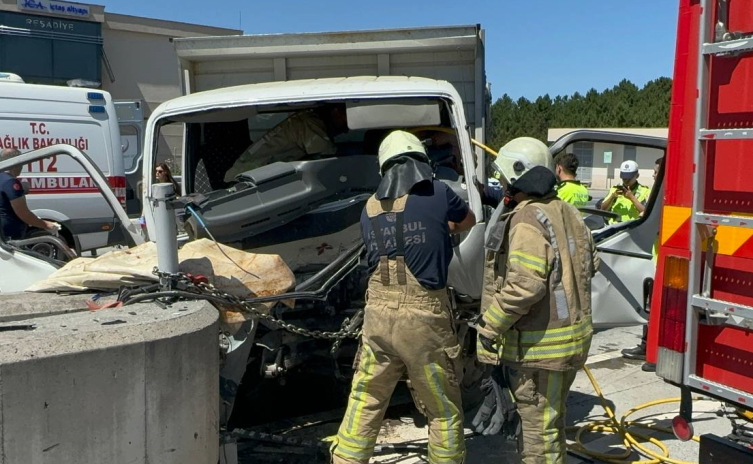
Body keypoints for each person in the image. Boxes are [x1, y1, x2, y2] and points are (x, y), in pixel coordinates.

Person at [330, 130, 476, 464]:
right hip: (423, 318)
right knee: (443, 410)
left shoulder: (368, 208)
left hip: (378, 315)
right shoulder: (438, 193)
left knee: (365, 399)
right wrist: (443, 229)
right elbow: (468, 220)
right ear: (420, 163)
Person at [473, 137, 600, 464]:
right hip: (572, 345)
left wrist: (489, 326)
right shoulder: (569, 212)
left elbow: (525, 286)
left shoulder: (527, 218)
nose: (501, 185)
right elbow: (592, 265)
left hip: (540, 352)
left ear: (519, 175)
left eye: (504, 178)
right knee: (551, 424)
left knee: (537, 438)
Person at [224, 104, 349, 181]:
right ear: (336, 112)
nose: (346, 130)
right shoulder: (310, 123)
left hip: (258, 176)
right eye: (346, 120)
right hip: (247, 180)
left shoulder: (309, 121)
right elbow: (328, 160)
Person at [621, 157, 664, 372]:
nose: (655, 174)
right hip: (652, 255)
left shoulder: (655, 195)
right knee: (651, 306)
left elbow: (645, 215)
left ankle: (650, 349)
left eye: (657, 171)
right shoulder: (658, 195)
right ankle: (648, 346)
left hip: (656, 258)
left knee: (653, 307)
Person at [0, 148, 58, 240]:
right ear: (16, 162)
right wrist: (46, 225)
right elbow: (23, 213)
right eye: (21, 163)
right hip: (9, 237)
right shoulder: (10, 182)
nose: (22, 166)